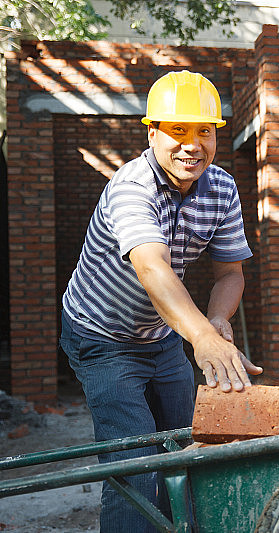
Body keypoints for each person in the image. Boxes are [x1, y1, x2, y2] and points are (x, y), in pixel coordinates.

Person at [59, 70, 262, 532]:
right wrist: (203, 339)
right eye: (178, 131)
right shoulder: (132, 187)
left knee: (185, 452)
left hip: (162, 334)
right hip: (101, 336)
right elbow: (152, 270)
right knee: (136, 465)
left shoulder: (222, 188)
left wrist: (217, 318)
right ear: (152, 132)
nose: (192, 145)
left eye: (203, 132)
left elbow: (230, 273)